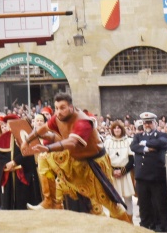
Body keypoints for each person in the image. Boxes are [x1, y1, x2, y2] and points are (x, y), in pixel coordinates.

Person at [30, 94, 131, 222]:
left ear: (71, 107)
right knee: (52, 171)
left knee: (107, 202)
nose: (59, 112)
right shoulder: (58, 119)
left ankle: (127, 229)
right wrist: (27, 140)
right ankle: (50, 202)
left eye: (62, 108)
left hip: (93, 164)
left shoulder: (82, 121)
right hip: (75, 162)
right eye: (56, 108)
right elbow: (50, 134)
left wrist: (49, 148)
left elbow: (72, 142)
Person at [131, 111, 167, 232]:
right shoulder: (138, 136)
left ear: (155, 123)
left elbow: (162, 143)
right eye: (145, 123)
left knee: (159, 202)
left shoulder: (161, 135)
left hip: (156, 175)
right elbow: (133, 147)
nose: (147, 125)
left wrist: (145, 144)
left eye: (149, 123)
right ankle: (145, 223)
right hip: (142, 175)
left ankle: (162, 225)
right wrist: (148, 148)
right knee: (143, 202)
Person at [103, 121, 135, 212]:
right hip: (112, 174)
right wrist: (112, 171)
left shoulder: (129, 141)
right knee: (114, 199)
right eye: (115, 128)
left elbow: (132, 160)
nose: (117, 130)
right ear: (112, 130)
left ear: (122, 129)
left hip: (125, 173)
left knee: (128, 198)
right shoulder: (108, 142)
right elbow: (105, 160)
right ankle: (116, 220)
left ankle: (129, 220)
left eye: (119, 128)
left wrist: (122, 172)